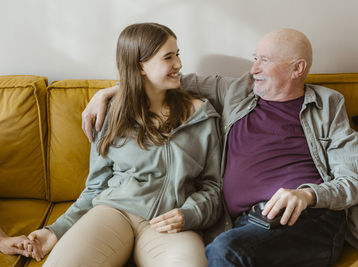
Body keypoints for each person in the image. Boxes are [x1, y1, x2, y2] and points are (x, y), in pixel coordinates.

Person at [81, 28, 358, 266]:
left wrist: (307, 195)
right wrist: (111, 91)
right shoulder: (238, 90)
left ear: (297, 68)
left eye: (264, 61)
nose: (253, 68)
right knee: (225, 249)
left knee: (224, 253)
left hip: (308, 220)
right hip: (248, 224)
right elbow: (166, 81)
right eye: (255, 58)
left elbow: (353, 181)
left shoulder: (328, 105)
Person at [23, 22, 222, 267]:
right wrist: (54, 231)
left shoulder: (201, 115)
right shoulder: (110, 115)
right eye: (168, 57)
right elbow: (95, 187)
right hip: (113, 213)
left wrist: (188, 214)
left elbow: (214, 187)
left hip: (169, 223)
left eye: (178, 54)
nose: (179, 64)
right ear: (140, 66)